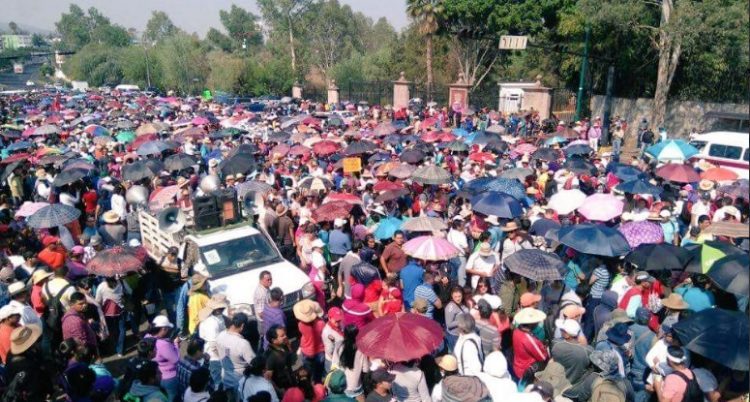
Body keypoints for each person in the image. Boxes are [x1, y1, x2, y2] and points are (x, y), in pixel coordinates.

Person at [198, 294, 229, 388]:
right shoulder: (212, 323)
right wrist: (221, 357)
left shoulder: (216, 317)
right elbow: (213, 345)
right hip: (214, 356)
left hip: (216, 350)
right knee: (218, 381)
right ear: (218, 309)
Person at [148, 315, 181, 401]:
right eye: (167, 328)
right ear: (163, 329)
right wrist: (176, 344)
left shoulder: (147, 337)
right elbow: (176, 359)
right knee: (172, 398)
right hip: (169, 377)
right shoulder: (163, 344)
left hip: (156, 375)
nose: (168, 331)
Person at [512, 308, 549, 383]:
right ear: (531, 324)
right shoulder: (529, 339)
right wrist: (544, 347)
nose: (537, 323)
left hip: (517, 366)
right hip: (526, 371)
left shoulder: (516, 331)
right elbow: (542, 357)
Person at [293, 299, 326, 382]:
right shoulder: (321, 323)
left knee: (308, 370)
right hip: (320, 351)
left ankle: (309, 382)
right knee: (318, 371)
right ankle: (317, 383)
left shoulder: (300, 325)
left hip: (306, 351)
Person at [336, 324, 369, 401]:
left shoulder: (339, 345)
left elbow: (335, 364)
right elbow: (366, 369)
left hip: (343, 385)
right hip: (356, 387)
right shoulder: (361, 349)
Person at [265, 324, 296, 394]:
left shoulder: (284, 344)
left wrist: (289, 346)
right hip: (282, 388)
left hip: (290, 381)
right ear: (274, 340)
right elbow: (268, 379)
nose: (286, 336)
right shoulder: (270, 356)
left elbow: (290, 358)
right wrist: (279, 391)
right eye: (282, 336)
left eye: (285, 334)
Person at [323, 306, 345, 371]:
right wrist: (338, 364)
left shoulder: (340, 325)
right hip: (333, 362)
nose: (338, 321)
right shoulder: (327, 333)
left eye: (339, 319)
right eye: (336, 320)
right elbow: (330, 352)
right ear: (329, 318)